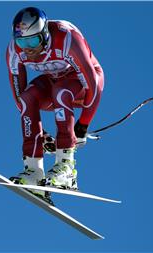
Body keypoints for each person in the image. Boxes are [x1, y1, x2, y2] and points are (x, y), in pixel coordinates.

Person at [6, 7, 104, 199]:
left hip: (83, 86)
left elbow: (94, 86)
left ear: (44, 35)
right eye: (21, 41)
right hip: (55, 82)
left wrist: (82, 126)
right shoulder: (14, 51)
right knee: (27, 97)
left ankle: (66, 168)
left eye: (33, 40)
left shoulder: (66, 39)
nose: (28, 48)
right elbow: (20, 96)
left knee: (61, 92)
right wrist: (40, 133)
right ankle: (33, 171)